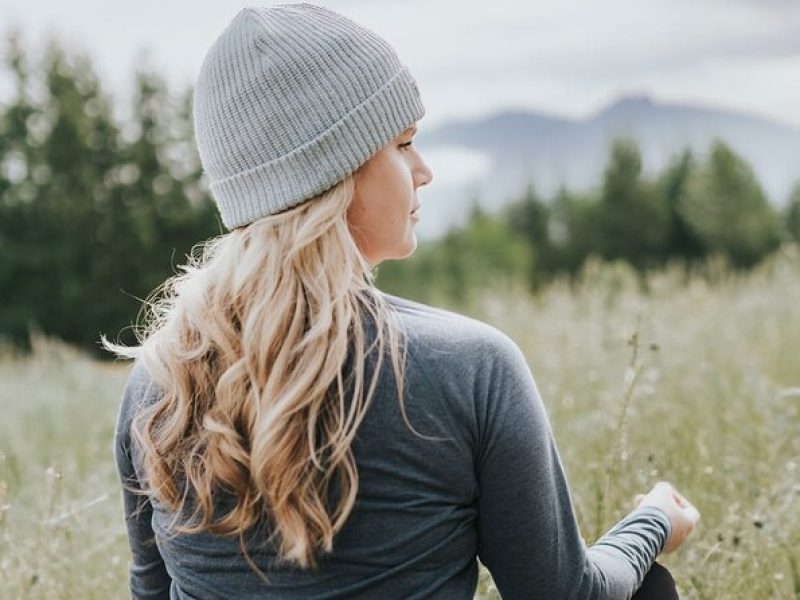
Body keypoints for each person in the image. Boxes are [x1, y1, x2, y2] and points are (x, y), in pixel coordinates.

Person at [104, 3, 700, 599]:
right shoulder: (469, 369)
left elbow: (151, 594)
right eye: (404, 144)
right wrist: (651, 523)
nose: (424, 170)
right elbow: (566, 595)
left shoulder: (157, 386)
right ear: (335, 175)